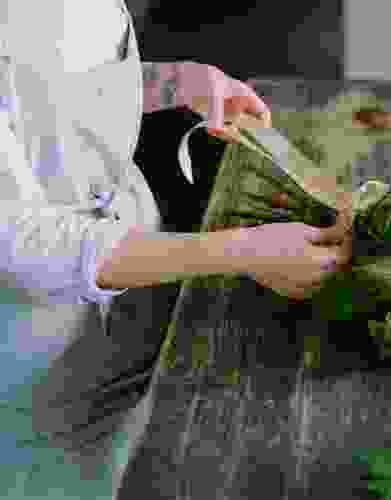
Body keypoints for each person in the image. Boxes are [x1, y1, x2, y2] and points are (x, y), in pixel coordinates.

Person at [0, 0, 351, 497]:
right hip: (36, 346)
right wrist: (241, 250)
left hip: (136, 265)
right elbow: (17, 242)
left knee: (152, 438)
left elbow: (42, 91)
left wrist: (169, 83)